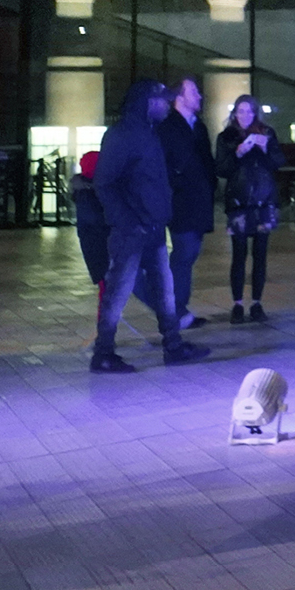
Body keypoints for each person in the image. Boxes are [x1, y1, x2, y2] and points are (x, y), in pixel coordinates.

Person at [91, 81, 211, 372]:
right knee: (118, 293)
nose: (165, 105)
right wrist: (130, 222)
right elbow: (104, 183)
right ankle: (103, 353)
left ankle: (173, 345)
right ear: (146, 102)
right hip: (131, 232)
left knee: (164, 291)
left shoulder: (149, 133)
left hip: (153, 228)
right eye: (160, 100)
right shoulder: (122, 135)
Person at [215, 95, 285, 322]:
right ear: (235, 113)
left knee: (260, 254)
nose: (245, 116)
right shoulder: (226, 137)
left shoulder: (267, 133)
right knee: (238, 254)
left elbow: (278, 161)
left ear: (255, 113)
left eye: (249, 111)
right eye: (240, 111)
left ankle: (257, 302)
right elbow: (222, 169)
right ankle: (237, 304)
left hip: (264, 202)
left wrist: (265, 149)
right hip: (239, 203)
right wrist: (238, 153)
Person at [159, 77, 217, 327]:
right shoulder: (168, 127)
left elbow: (206, 162)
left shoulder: (199, 126)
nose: (200, 96)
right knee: (184, 255)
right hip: (181, 203)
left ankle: (178, 309)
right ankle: (175, 311)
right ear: (179, 98)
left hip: (199, 202)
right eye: (194, 92)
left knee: (188, 255)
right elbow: (166, 165)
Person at [72, 149, 109, 287]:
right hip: (99, 242)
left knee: (105, 283)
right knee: (107, 281)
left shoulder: (82, 190)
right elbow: (96, 221)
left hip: (92, 242)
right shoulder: (91, 193)